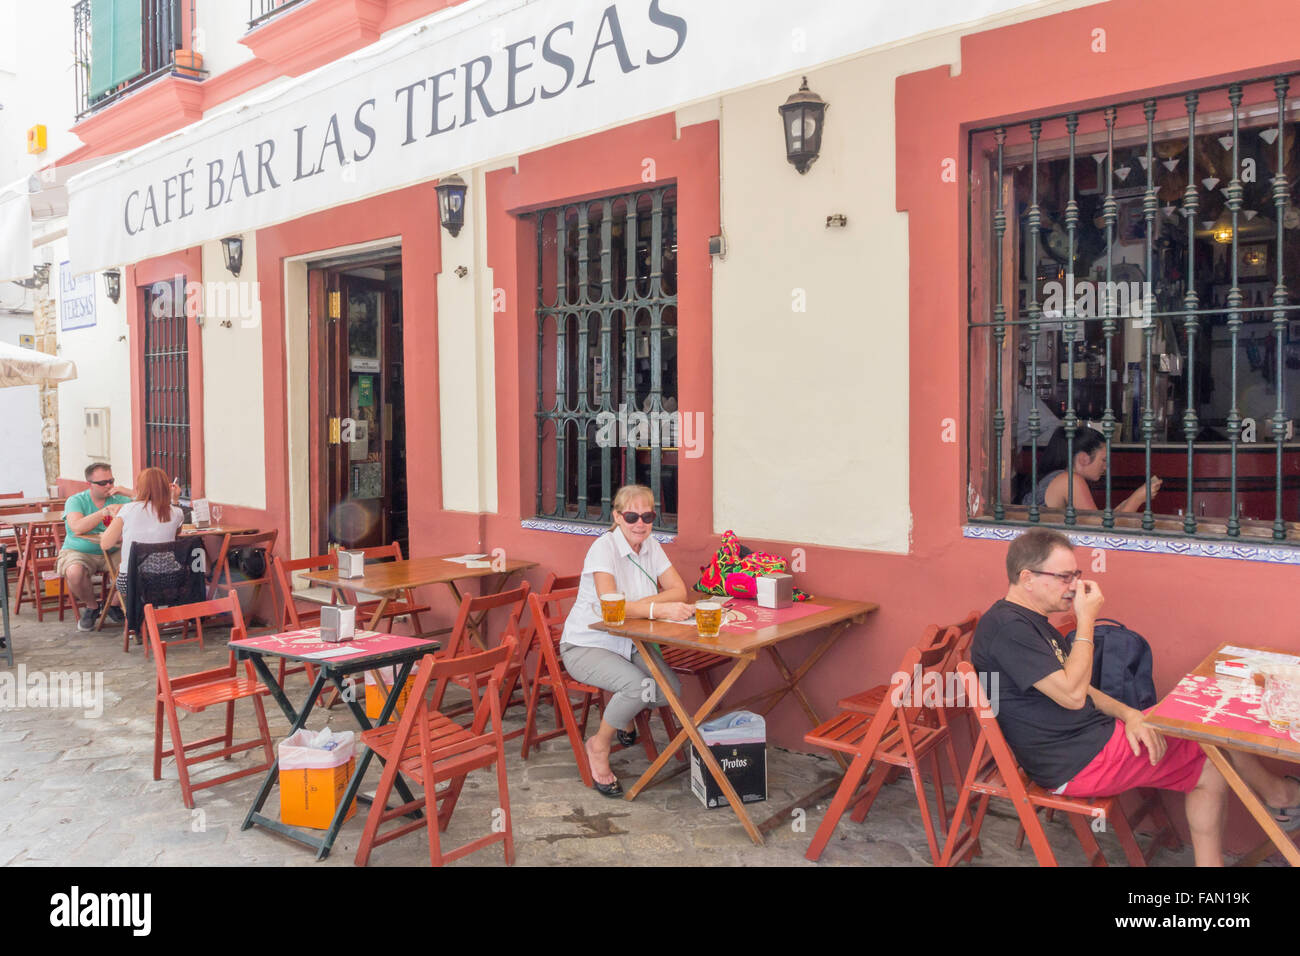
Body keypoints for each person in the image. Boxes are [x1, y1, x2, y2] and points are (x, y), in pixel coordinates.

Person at [973, 528, 1300, 866]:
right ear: (1027, 578)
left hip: (1092, 740)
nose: (1074, 586)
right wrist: (1087, 621)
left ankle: (1280, 796)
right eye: (1064, 577)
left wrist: (1129, 713)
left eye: (1077, 575)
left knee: (1200, 720)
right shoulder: (1008, 629)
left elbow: (1079, 687)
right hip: (1075, 762)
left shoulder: (1028, 621)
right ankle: (1280, 798)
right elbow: (1072, 695)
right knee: (1207, 750)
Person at [559, 484, 694, 796]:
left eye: (647, 515)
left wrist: (645, 607)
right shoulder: (603, 548)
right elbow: (611, 606)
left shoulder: (651, 545)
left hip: (628, 640)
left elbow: (679, 590)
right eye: (632, 515)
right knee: (638, 687)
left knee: (669, 691)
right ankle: (599, 744)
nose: (640, 523)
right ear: (617, 516)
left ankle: (624, 716)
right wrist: (657, 607)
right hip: (587, 644)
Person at [58, 463, 134, 631]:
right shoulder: (76, 500)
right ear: (89, 484)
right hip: (80, 550)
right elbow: (76, 526)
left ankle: (113, 604)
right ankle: (92, 607)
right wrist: (103, 512)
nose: (109, 486)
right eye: (103, 483)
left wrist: (128, 492)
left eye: (111, 481)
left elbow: (148, 502)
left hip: (114, 549)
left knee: (135, 567)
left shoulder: (120, 499)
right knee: (74, 572)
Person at [1022, 425, 1161, 512]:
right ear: (1083, 458)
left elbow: (1102, 521)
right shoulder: (1070, 480)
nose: (1106, 467)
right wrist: (1137, 499)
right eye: (1103, 460)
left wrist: (1130, 501)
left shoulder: (1059, 477)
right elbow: (1099, 531)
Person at [99, 467, 185, 603]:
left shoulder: (128, 509)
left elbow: (105, 544)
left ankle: (134, 617)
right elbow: (176, 532)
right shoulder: (176, 512)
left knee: (124, 584)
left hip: (132, 581)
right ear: (165, 487)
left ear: (140, 487)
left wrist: (117, 518)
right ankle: (150, 616)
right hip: (170, 579)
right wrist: (174, 500)